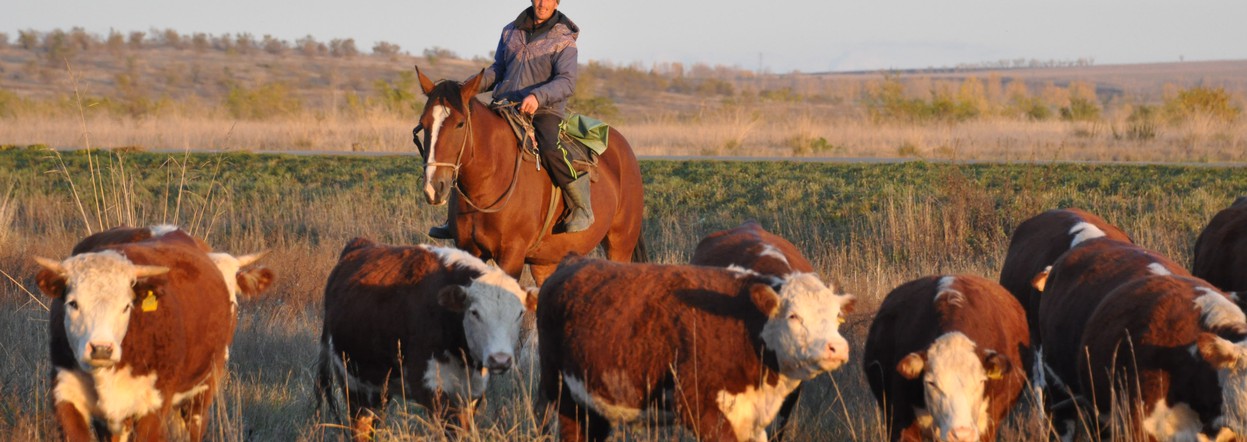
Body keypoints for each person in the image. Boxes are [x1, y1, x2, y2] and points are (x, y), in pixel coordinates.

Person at [428, 0, 591, 239]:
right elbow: (498, 70)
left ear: (557, 2)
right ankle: (455, 218)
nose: (542, 3)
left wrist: (537, 96)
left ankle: (580, 206)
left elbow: (566, 81)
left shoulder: (564, 38)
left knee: (549, 149)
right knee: (467, 144)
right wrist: (468, 88)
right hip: (505, 105)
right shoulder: (510, 30)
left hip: (543, 110)